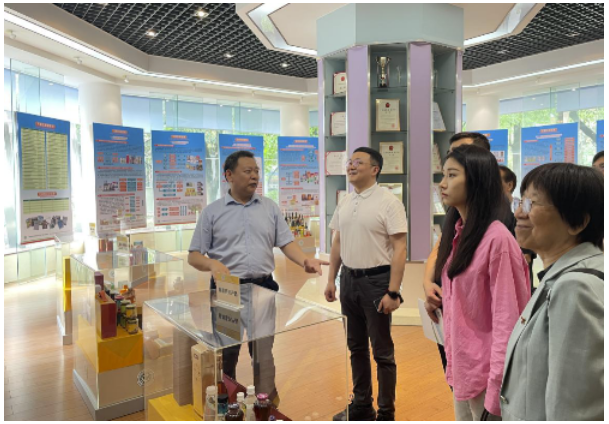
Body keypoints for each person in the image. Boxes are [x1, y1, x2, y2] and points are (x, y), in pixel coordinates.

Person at [188, 150, 328, 402]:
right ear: (229, 175)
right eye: (248, 171)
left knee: (263, 351)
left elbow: (286, 243)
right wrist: (211, 264)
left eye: (256, 171)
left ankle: (266, 402)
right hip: (228, 290)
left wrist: (305, 260)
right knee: (227, 351)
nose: (254, 176)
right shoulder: (212, 212)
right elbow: (194, 255)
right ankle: (227, 401)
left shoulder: (269, 207)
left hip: (263, 288)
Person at [501, 163, 604, 421]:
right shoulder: (563, 275)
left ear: (578, 222)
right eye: (520, 202)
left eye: (532, 204)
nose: (519, 213)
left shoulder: (575, 287)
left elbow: (574, 406)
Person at [434, 145, 530, 420]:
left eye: (452, 175)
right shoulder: (460, 233)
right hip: (464, 369)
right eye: (443, 175)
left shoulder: (497, 240)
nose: (442, 184)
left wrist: (496, 391)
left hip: (488, 377)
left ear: (476, 180)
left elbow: (507, 322)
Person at [325, 147, 408, 421]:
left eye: (358, 162)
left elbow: (400, 248)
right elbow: (338, 242)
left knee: (382, 352)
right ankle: (362, 405)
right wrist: (331, 279)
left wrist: (393, 291)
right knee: (356, 347)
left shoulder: (389, 202)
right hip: (348, 281)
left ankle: (386, 413)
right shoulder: (345, 201)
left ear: (375, 169)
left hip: (377, 282)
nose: (351, 166)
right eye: (350, 162)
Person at [499, 165, 537, 292]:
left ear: (509, 185)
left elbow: (525, 258)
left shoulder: (521, 216)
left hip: (516, 291)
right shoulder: (487, 216)